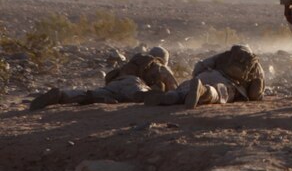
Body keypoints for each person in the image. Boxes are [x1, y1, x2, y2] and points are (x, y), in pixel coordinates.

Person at [29, 46, 176, 111]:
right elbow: (173, 88)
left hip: (115, 84)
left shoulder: (135, 62)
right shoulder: (159, 66)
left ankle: (62, 95)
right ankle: (145, 94)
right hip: (134, 83)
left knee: (91, 94)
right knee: (139, 94)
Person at [144, 44, 265, 108]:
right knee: (217, 93)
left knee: (183, 89)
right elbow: (255, 92)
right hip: (230, 84)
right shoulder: (255, 65)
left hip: (207, 74)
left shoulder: (224, 56)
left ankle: (170, 96)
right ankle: (203, 91)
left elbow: (199, 66)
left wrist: (199, 77)